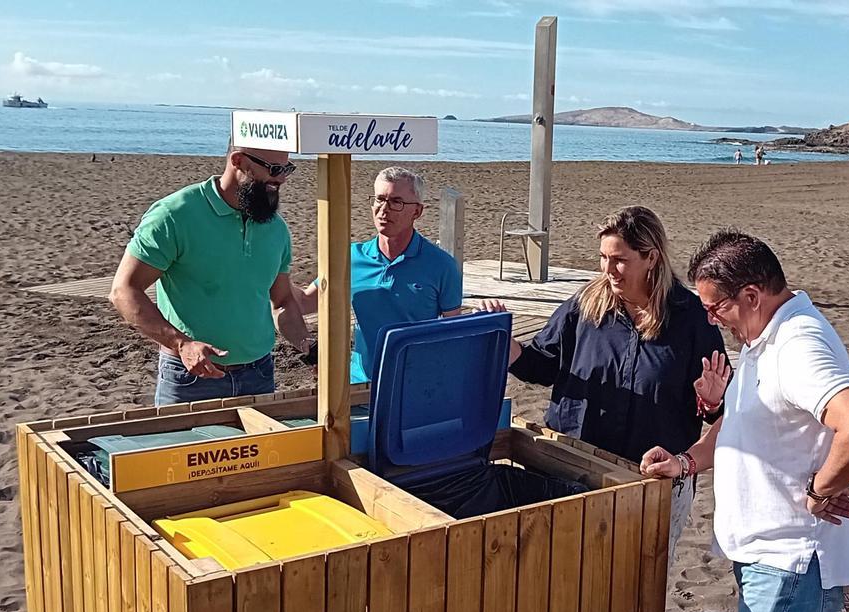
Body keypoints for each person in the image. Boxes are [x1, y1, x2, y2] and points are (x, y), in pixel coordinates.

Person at [640, 230, 849, 612]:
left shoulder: (797, 345)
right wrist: (687, 461)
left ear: (752, 295)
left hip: (789, 562)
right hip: (764, 556)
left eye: (716, 308)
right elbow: (741, 424)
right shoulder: (763, 337)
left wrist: (820, 487)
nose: (713, 321)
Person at [479, 206, 725, 562]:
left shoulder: (692, 319)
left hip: (651, 480)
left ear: (651, 257)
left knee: (640, 587)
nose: (608, 270)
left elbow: (720, 410)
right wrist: (508, 345)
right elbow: (543, 368)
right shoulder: (584, 305)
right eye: (603, 258)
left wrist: (713, 401)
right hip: (575, 467)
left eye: (620, 260)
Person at [110, 145, 311, 405]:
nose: (281, 178)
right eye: (273, 169)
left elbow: (282, 301)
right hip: (191, 379)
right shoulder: (175, 214)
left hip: (259, 375)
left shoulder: (276, 228)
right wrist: (182, 345)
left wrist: (309, 349)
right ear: (238, 161)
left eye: (286, 169)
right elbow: (123, 291)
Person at [295, 167, 461, 383]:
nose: (384, 209)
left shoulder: (442, 265)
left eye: (396, 202)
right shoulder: (350, 258)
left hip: (414, 385)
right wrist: (270, 275)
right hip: (358, 385)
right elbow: (305, 302)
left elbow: (453, 332)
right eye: (380, 199)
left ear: (417, 212)